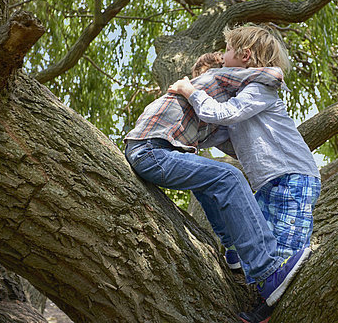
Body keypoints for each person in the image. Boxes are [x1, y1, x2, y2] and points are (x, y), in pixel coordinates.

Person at [124, 52, 311, 320]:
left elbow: (237, 143)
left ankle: (233, 252)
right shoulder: (214, 78)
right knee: (229, 178)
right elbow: (271, 75)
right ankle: (267, 271)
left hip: (154, 152)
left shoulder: (207, 120)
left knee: (210, 179)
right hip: (151, 150)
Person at [169, 25, 321, 323]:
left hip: (293, 178)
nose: (223, 58)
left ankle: (267, 313)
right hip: (269, 182)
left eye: (226, 51)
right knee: (261, 241)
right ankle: (243, 264)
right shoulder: (243, 98)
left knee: (284, 255)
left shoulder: (259, 89)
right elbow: (224, 135)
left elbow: (224, 115)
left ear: (245, 55)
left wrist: (190, 90)